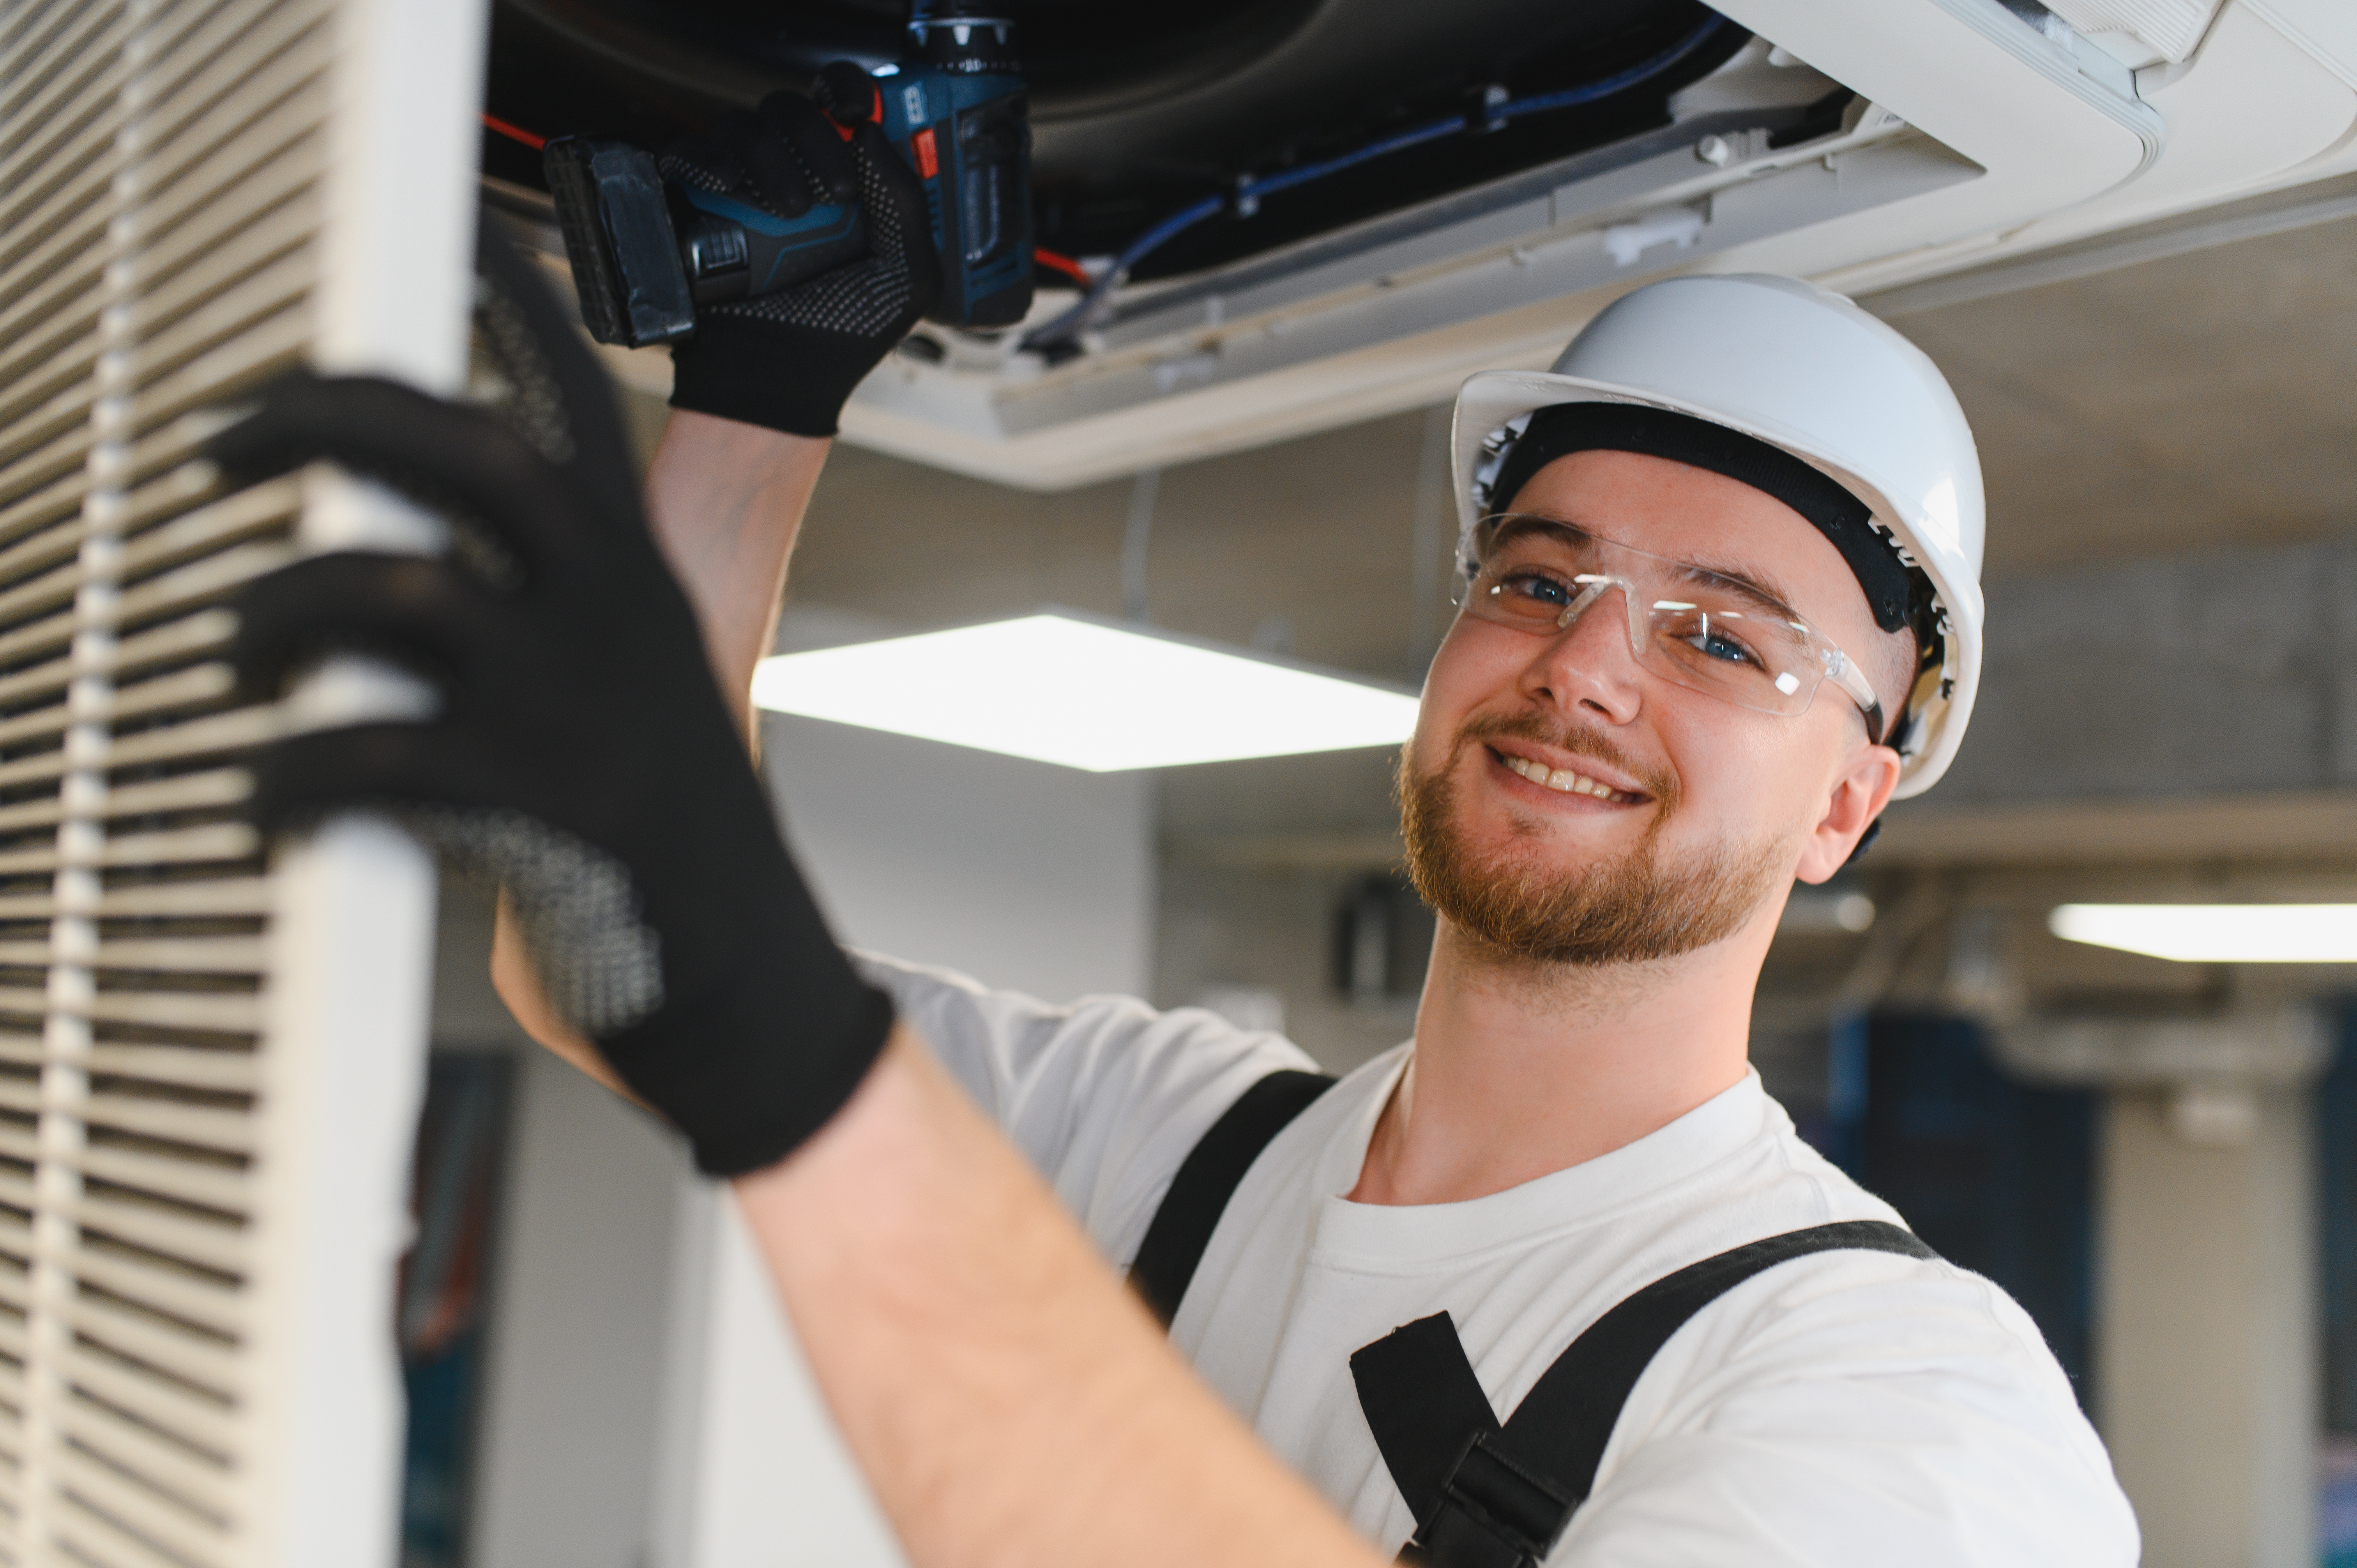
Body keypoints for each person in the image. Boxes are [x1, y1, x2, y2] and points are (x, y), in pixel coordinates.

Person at [217, 78, 2136, 1568]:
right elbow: (606, 966)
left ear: (1849, 798)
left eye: (1724, 636)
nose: (1590, 670)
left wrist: (803, 1072)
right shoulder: (1179, 1149)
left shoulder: (1911, 1404)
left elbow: (733, 1022)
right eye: (1538, 579)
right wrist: (765, 384)